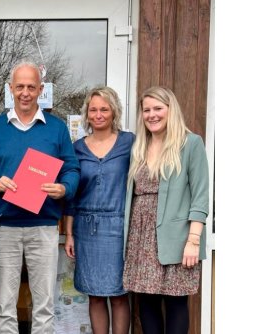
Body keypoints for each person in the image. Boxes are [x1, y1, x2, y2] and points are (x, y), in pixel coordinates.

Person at [0, 61, 80, 334]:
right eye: (19, 86)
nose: (25, 92)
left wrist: (64, 188)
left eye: (31, 87)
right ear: (10, 89)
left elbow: (71, 168)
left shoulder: (56, 129)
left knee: (44, 304)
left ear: (40, 90)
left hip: (43, 227)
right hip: (4, 227)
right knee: (5, 306)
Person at [122, 86, 209, 334]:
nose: (152, 115)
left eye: (158, 108)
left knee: (176, 301)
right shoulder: (138, 147)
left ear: (171, 110)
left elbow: (201, 196)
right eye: (146, 110)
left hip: (177, 237)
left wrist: (193, 240)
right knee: (146, 302)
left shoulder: (190, 144)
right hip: (141, 238)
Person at [63, 86, 133, 334]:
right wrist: (69, 234)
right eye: (93, 109)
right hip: (87, 229)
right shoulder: (77, 147)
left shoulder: (130, 142)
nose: (99, 114)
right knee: (94, 295)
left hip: (119, 227)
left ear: (114, 111)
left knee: (119, 294)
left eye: (104, 109)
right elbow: (71, 194)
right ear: (87, 114)